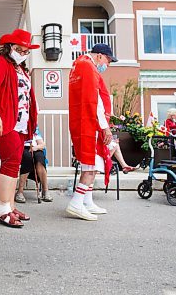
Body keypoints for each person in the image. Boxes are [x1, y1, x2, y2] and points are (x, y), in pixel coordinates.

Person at [0, 29, 39, 228]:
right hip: (3, 119)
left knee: (15, 162)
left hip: (19, 122)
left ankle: (10, 207)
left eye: (26, 50)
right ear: (9, 47)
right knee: (11, 161)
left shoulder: (20, 68)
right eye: (19, 49)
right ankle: (3, 210)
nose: (22, 53)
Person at [67, 43, 117, 221]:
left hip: (84, 121)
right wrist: (105, 127)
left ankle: (86, 201)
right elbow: (93, 100)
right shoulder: (88, 67)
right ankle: (76, 203)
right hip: (89, 123)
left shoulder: (79, 65)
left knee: (92, 165)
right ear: (100, 56)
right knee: (91, 165)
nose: (107, 65)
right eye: (108, 60)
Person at [15, 127, 53, 203]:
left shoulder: (34, 127)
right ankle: (20, 191)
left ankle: (45, 190)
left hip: (35, 148)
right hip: (22, 148)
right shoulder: (18, 126)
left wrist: (35, 148)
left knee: (40, 159)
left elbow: (42, 144)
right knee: (27, 158)